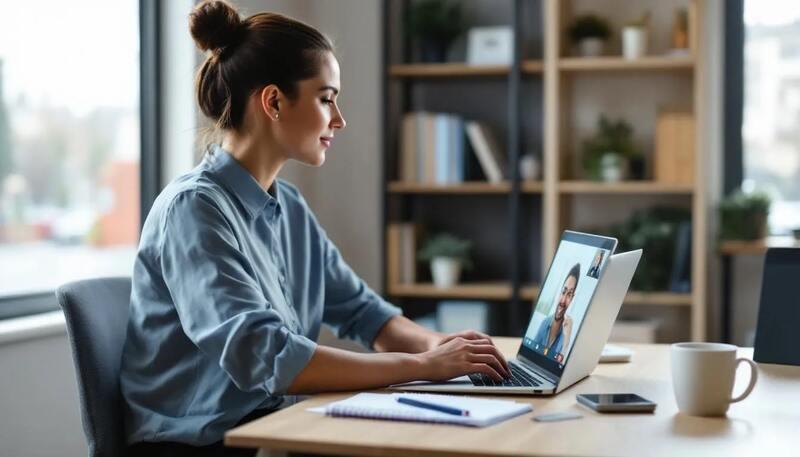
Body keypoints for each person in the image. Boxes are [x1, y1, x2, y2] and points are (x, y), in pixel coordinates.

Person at [120, 2, 509, 456]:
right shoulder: (193, 210)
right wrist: (421, 365)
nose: (338, 119)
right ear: (273, 102)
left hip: (274, 429)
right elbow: (269, 357)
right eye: (326, 99)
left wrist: (438, 345)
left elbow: (363, 312)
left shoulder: (289, 207)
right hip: (199, 448)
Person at [531, 264, 581, 363]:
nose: (563, 301)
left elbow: (561, 366)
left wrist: (567, 340)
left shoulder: (568, 333)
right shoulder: (545, 323)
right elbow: (531, 355)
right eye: (563, 291)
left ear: (572, 298)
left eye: (569, 295)